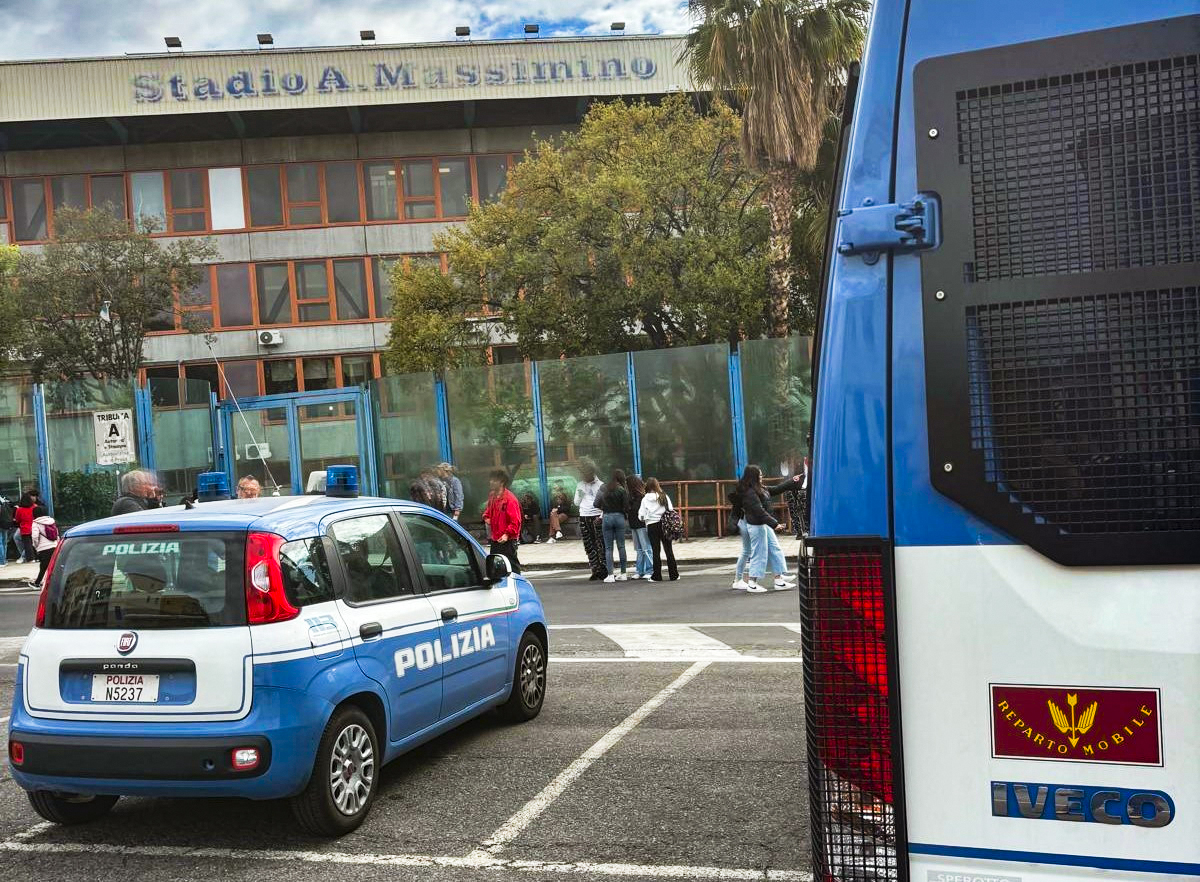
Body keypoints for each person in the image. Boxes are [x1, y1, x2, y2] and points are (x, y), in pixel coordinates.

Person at [738, 465, 799, 593]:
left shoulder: (760, 488)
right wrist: (774, 524)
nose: (761, 477)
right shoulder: (749, 492)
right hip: (757, 525)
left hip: (764, 523)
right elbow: (759, 511)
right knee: (759, 553)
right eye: (759, 475)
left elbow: (776, 489)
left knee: (775, 548)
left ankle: (779, 579)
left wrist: (792, 481)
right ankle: (752, 583)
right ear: (753, 477)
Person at [482, 469, 522, 574]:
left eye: (494, 480)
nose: (491, 482)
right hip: (495, 538)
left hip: (507, 540)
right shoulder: (492, 496)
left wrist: (507, 534)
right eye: (491, 479)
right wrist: (486, 517)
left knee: (512, 566)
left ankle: (517, 585)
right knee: (495, 566)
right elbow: (488, 511)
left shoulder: (510, 499)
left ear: (502, 482)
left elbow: (515, 521)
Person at [638, 478, 678, 582]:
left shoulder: (644, 499)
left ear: (647, 486)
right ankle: (674, 575)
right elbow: (670, 509)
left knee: (656, 551)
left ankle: (657, 576)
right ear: (657, 485)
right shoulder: (663, 496)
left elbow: (641, 516)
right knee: (668, 549)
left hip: (652, 526)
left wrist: (647, 517)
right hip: (665, 525)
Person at [573, 462, 607, 581]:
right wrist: (580, 495)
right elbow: (576, 502)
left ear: (591, 473)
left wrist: (601, 516)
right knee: (589, 544)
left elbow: (605, 503)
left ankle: (604, 569)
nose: (584, 477)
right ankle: (595, 569)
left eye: (585, 474)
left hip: (597, 515)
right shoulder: (580, 485)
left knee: (600, 543)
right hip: (584, 515)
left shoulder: (601, 485)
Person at [598, 469, 630, 583]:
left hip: (607, 517)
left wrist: (604, 508)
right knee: (621, 546)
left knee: (608, 548)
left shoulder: (604, 488)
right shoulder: (622, 490)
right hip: (619, 517)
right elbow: (627, 506)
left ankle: (610, 575)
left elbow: (596, 503)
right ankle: (623, 573)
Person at [626, 474, 653, 580]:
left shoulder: (641, 497)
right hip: (634, 525)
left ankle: (650, 570)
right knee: (639, 549)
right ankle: (640, 570)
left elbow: (635, 510)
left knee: (646, 548)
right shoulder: (631, 496)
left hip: (641, 524)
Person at [728, 484, 753, 591]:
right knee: (747, 551)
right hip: (745, 523)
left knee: (748, 551)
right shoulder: (745, 495)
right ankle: (738, 580)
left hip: (746, 523)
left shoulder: (743, 493)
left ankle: (779, 575)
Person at [29, 505, 59, 589]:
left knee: (44, 567)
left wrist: (35, 545)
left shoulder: (36, 523)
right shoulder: (51, 521)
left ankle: (37, 583)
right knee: (52, 566)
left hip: (44, 548)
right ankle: (44, 583)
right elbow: (56, 533)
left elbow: (35, 537)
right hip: (54, 546)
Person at [14, 490, 37, 563]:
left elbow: (17, 519)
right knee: (34, 543)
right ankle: (36, 557)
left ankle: (30, 558)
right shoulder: (34, 507)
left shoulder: (19, 509)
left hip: (24, 529)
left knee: (27, 545)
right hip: (34, 527)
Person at [0, 495, 13, 567]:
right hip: (5, 523)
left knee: (0, 543)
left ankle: (1, 561)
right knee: (4, 542)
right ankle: (4, 560)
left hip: (1, 523)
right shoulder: (4, 499)